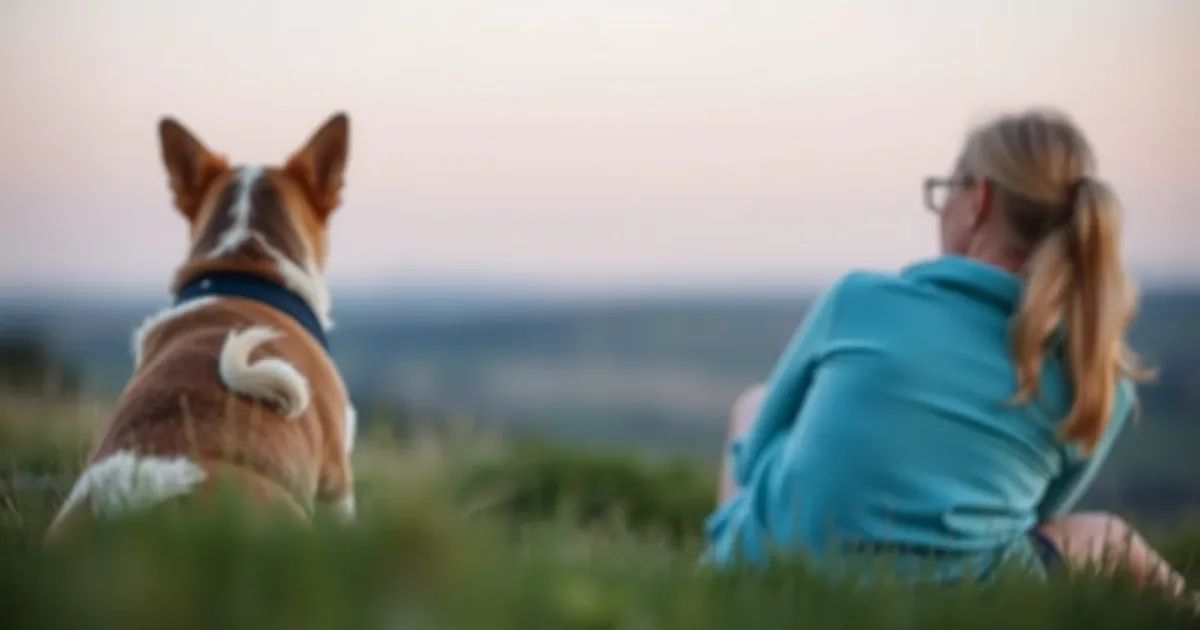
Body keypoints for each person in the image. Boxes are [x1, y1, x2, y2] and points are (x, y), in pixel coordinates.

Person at [704, 108, 1191, 597]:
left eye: (946, 191)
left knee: (753, 405)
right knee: (1106, 537)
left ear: (979, 199)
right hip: (972, 597)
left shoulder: (857, 301)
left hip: (783, 577)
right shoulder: (1095, 375)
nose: (940, 210)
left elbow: (753, 455)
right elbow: (1039, 516)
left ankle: (728, 571)